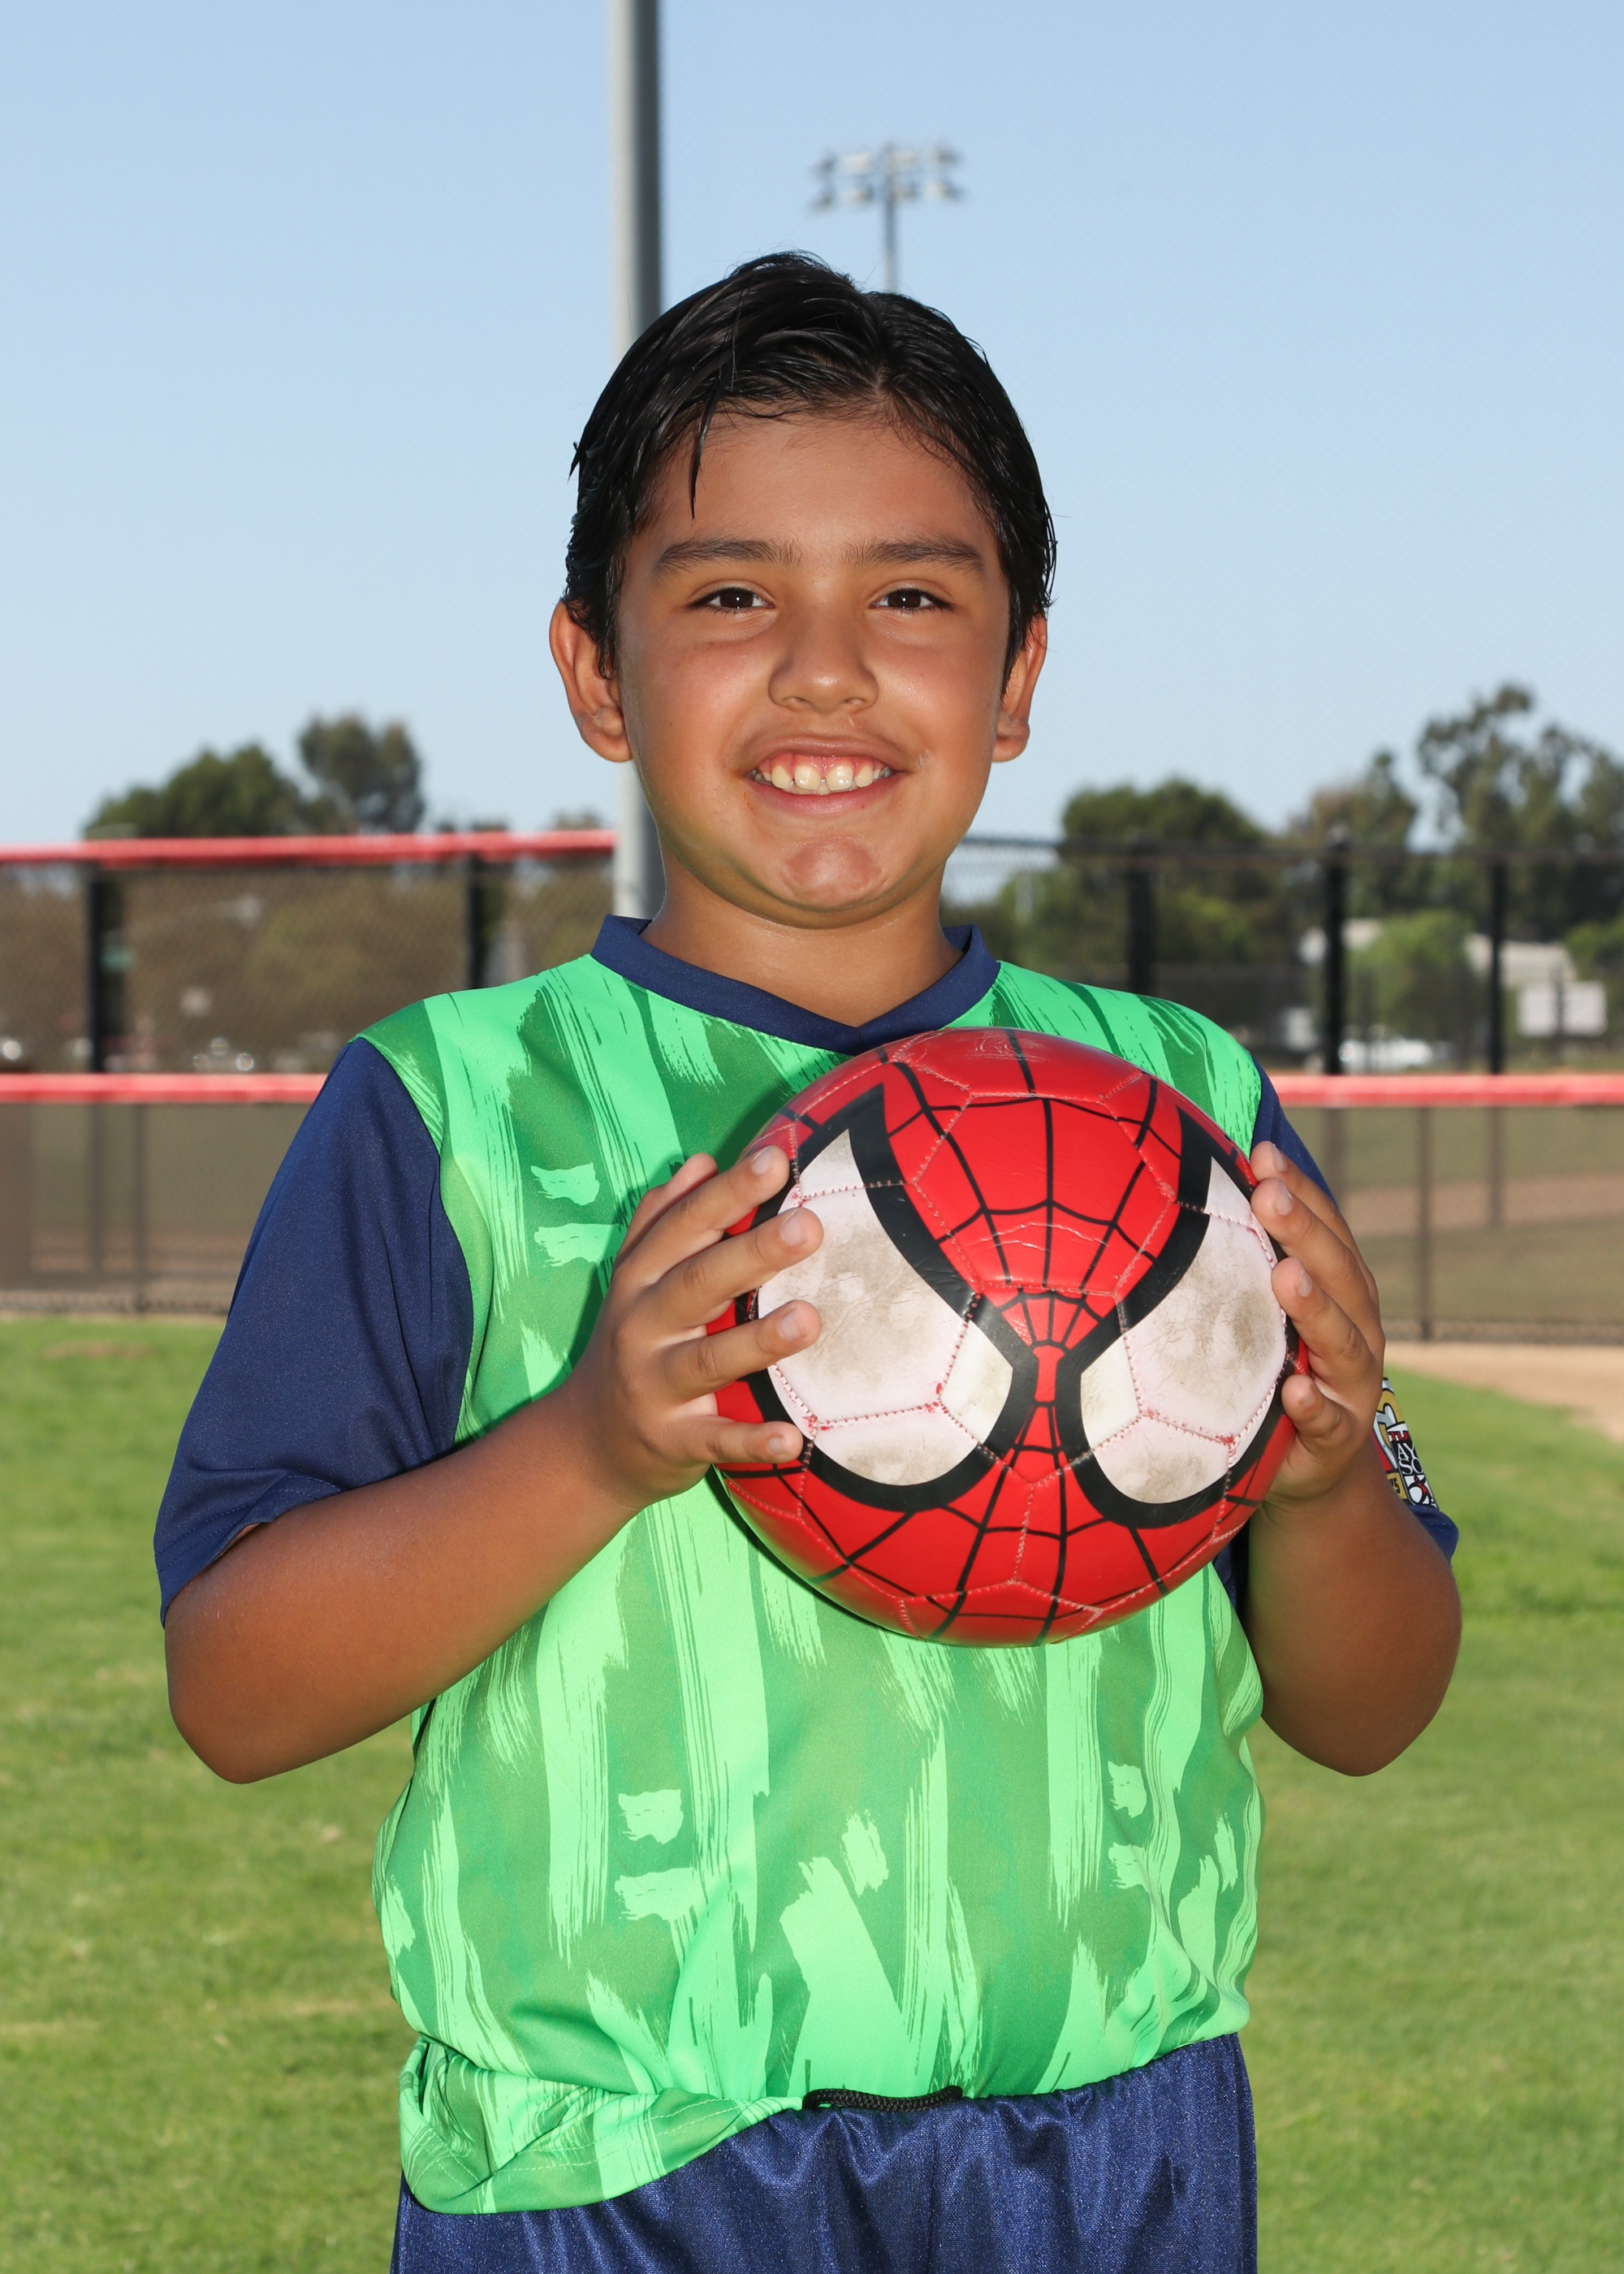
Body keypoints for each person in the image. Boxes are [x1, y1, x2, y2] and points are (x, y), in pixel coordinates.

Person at [156, 254, 1461, 2273]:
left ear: (1019, 674)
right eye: (731, 596)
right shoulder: (452, 1112)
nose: (829, 670)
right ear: (597, 671)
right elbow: (235, 1687)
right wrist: (590, 1446)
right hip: (611, 2169)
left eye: (914, 595)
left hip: (1109, 2154)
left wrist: (1323, 1478)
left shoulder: (1184, 1108)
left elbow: (1372, 1703)